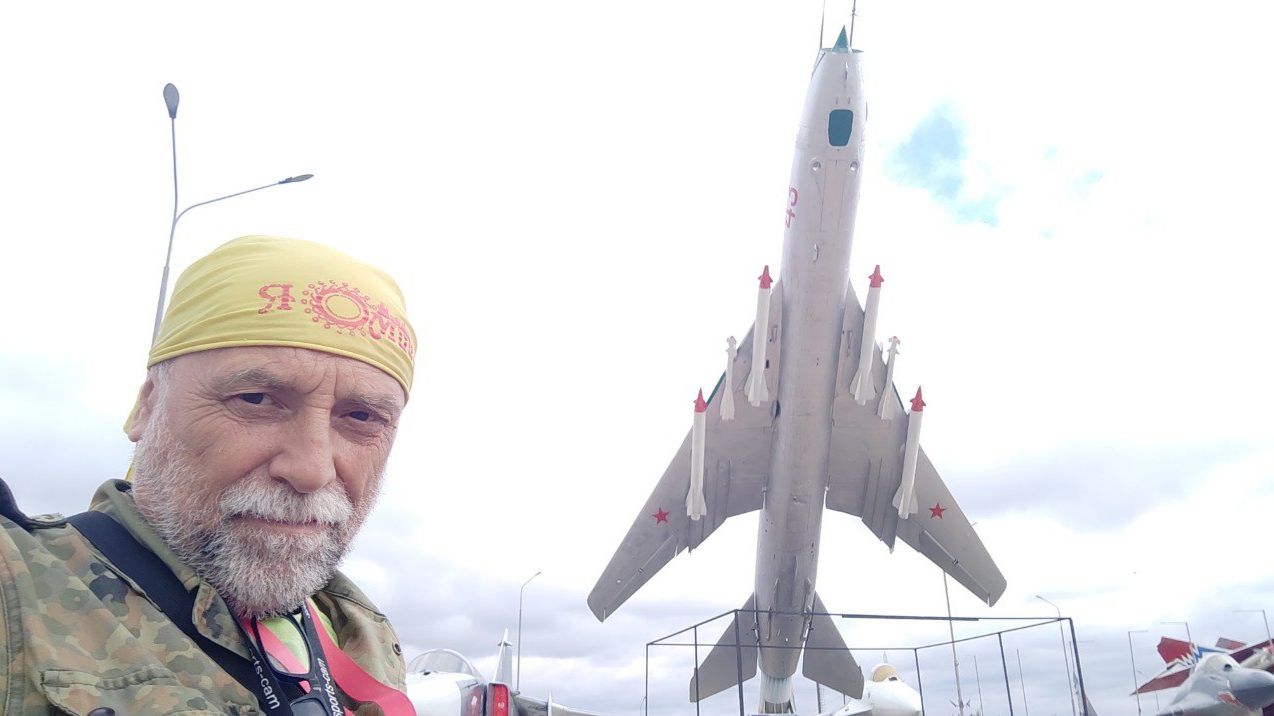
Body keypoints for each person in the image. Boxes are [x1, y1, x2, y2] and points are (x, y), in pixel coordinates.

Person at [0, 235, 419, 715]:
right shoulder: (19, 587)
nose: (311, 470)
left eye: (361, 417)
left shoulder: (360, 630)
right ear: (147, 406)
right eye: (256, 399)